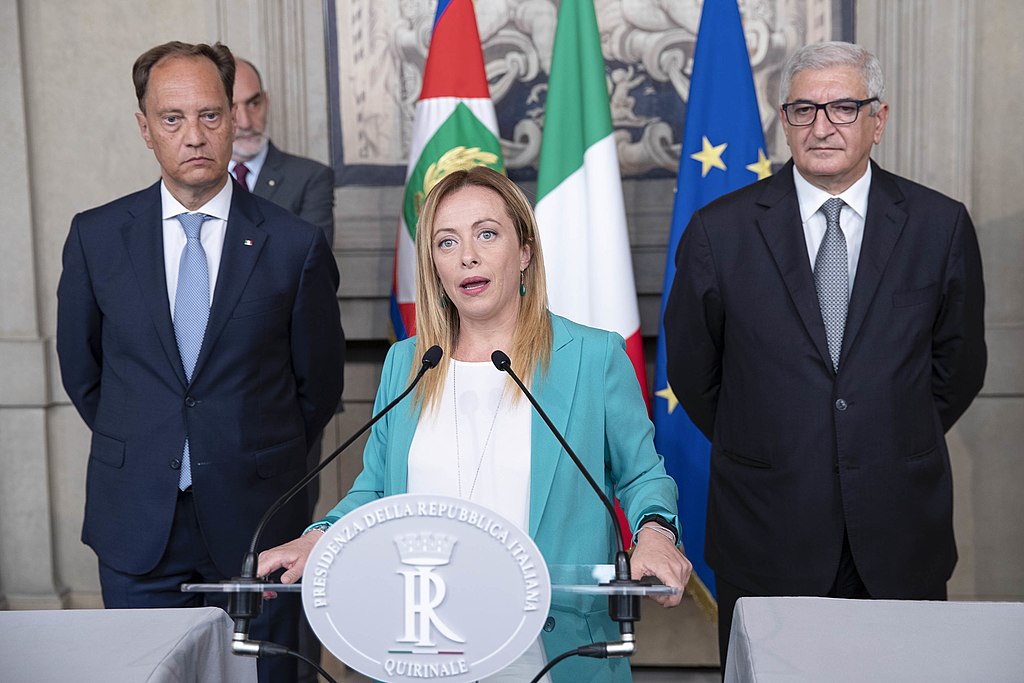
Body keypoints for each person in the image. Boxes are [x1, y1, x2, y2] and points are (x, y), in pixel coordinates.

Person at [258, 166, 692, 682]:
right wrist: (321, 536)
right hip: (423, 648)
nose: (468, 255)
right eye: (447, 242)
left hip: (555, 655)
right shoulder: (408, 363)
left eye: (487, 233)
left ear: (525, 251)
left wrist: (657, 534)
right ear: (434, 265)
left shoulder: (592, 358)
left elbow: (643, 476)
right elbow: (375, 491)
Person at [663, 41, 986, 668]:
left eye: (843, 107)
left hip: (899, 529)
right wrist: (779, 438)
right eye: (804, 110)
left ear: (878, 119)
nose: (823, 126)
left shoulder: (938, 224)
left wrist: (880, 433)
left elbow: (958, 367)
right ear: (784, 122)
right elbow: (695, 374)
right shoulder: (719, 232)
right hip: (767, 530)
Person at [55, 41, 345, 683]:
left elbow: (317, 386)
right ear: (145, 129)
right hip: (136, 520)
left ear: (232, 120)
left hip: (259, 524)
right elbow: (84, 371)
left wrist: (247, 451)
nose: (195, 135)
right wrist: (153, 437)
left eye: (211, 115)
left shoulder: (293, 245)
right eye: (172, 118)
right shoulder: (97, 237)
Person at [230, 57, 335, 246]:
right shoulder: (198, 178)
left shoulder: (311, 178)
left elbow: (313, 265)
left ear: (266, 101)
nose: (245, 122)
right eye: (232, 108)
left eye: (254, 104)